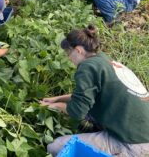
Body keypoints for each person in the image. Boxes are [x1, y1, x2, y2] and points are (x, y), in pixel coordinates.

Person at [40, 24, 149, 156]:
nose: (69, 58)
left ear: (79, 50)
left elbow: (77, 111)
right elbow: (85, 97)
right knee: (89, 115)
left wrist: (54, 106)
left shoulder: (87, 67)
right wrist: (57, 98)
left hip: (133, 143)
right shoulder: (102, 59)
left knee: (55, 147)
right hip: (139, 128)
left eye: (69, 53)